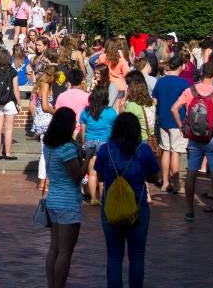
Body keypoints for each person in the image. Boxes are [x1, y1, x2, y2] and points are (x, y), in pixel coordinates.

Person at [95, 113, 161, 288]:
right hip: (138, 205)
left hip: (111, 206)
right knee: (137, 256)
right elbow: (155, 176)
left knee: (114, 256)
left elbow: (100, 176)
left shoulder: (106, 149)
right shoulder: (144, 150)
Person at [170, 61, 213, 223]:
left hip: (194, 138)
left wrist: (182, 126)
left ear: (202, 73)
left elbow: (174, 108)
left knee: (191, 173)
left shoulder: (190, 91)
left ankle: (189, 210)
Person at [43, 107, 90, 288]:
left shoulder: (49, 145)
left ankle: (51, 284)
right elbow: (77, 175)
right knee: (65, 252)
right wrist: (88, 159)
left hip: (53, 198)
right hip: (68, 201)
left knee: (54, 249)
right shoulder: (67, 147)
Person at [151, 56, 190, 193]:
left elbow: (154, 100)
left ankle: (165, 182)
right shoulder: (184, 83)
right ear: (180, 67)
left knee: (165, 150)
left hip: (163, 119)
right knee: (176, 152)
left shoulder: (160, 82)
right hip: (177, 120)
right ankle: (176, 184)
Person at [80, 81, 119, 205]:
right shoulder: (111, 112)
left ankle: (93, 198)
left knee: (92, 173)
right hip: (105, 143)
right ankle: (103, 198)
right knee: (103, 173)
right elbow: (115, 130)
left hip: (90, 142)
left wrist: (84, 141)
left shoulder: (86, 111)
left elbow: (82, 129)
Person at [0, 51, 19, 160]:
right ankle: (7, 153)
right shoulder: (13, 71)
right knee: (8, 129)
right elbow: (16, 89)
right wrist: (19, 102)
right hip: (10, 102)